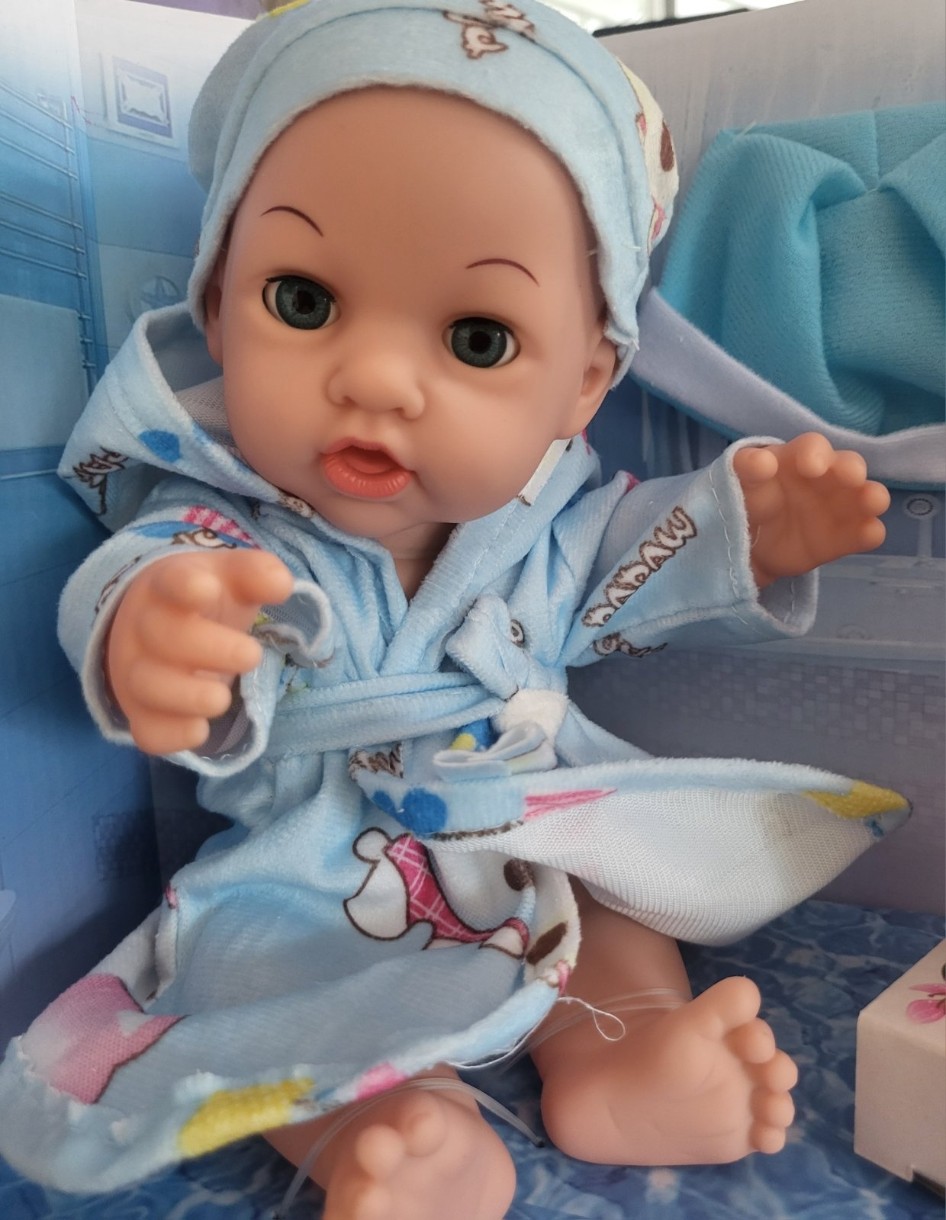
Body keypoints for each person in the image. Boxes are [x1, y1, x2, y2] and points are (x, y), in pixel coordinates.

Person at [0, 1, 906, 1215]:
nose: (375, 377)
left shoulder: (545, 527)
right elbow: (151, 568)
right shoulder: (225, 529)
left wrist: (751, 533)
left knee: (614, 912)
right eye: (303, 301)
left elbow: (631, 561)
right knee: (256, 993)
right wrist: (155, 629)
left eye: (476, 338)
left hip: (526, 824)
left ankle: (619, 1055)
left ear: (584, 383)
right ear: (216, 307)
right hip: (312, 869)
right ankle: (387, 1132)